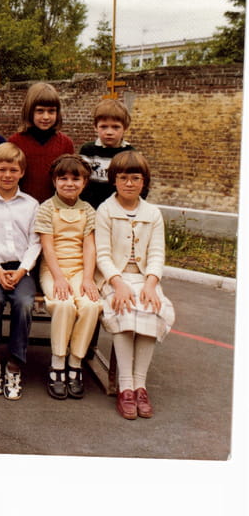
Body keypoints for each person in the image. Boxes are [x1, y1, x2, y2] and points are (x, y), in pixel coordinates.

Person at [95, 151, 175, 420]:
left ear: (144, 182)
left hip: (143, 278)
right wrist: (117, 283)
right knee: (125, 309)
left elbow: (156, 254)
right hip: (114, 278)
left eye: (136, 178)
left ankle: (140, 385)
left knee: (152, 308)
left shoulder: (153, 213)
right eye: (123, 178)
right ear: (114, 181)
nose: (129, 183)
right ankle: (125, 387)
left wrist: (151, 284)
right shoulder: (105, 210)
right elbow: (102, 255)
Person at [35, 154, 101, 399]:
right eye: (63, 178)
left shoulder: (88, 210)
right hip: (54, 270)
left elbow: (89, 247)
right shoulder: (46, 208)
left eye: (76, 179)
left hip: (80, 271)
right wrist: (59, 278)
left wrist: (87, 278)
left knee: (91, 305)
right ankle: (57, 362)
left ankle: (75, 362)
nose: (69, 183)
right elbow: (47, 247)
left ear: (84, 183)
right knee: (63, 304)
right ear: (54, 181)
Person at [0, 143, 41, 400]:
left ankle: (15, 361)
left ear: (22, 172)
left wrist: (23, 269)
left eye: (13, 170)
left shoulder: (31, 204)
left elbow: (35, 242)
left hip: (22, 269)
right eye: (2, 169)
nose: (7, 175)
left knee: (25, 303)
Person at [8, 82, 74, 203]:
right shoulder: (15, 142)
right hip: (22, 207)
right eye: (40, 111)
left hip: (55, 208)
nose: (46, 117)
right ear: (29, 111)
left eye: (51, 111)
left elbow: (71, 179)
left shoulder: (66, 144)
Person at [79, 97, 138, 208]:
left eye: (115, 127)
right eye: (104, 127)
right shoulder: (88, 151)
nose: (109, 132)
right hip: (90, 206)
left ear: (125, 128)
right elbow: (81, 181)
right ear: (95, 127)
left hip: (120, 208)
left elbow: (140, 184)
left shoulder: (130, 154)